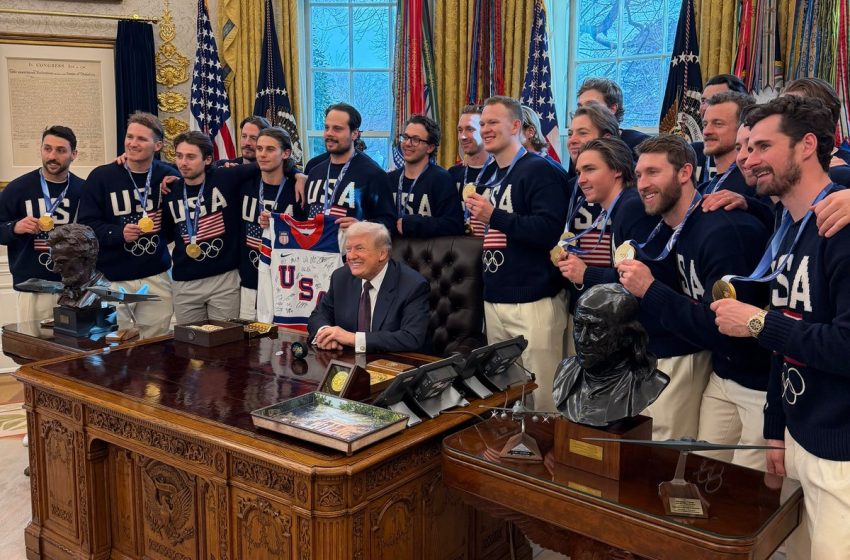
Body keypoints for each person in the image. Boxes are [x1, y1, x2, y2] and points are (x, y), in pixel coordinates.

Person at [712, 96, 850, 560]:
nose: (749, 159)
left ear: (807, 145)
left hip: (840, 447)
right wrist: (776, 427)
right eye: (747, 147)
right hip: (797, 431)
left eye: (763, 147)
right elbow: (786, 332)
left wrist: (756, 322)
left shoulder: (841, 225)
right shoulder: (786, 223)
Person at [618, 134, 771, 466]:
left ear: (685, 172)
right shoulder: (675, 227)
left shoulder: (723, 231)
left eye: (653, 172)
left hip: (759, 381)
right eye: (639, 174)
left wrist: (650, 289)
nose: (642, 184)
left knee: (748, 485)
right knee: (701, 469)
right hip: (722, 372)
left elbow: (725, 327)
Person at [465, 95, 568, 411]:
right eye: (483, 123)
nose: (485, 129)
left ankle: (548, 443)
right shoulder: (489, 174)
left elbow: (548, 231)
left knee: (542, 394)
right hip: (495, 296)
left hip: (533, 299)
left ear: (515, 126)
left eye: (493, 122)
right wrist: (485, 224)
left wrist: (493, 216)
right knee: (507, 393)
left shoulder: (540, 169)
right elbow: (501, 228)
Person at [78, 112, 179, 337]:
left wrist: (178, 183)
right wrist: (117, 233)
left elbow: (178, 222)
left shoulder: (169, 176)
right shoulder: (102, 177)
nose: (133, 143)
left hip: (156, 274)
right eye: (129, 137)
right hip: (112, 278)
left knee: (155, 343)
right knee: (111, 343)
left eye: (141, 139)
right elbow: (86, 225)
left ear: (158, 145)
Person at [162, 131, 260, 324]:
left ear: (207, 159)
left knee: (226, 339)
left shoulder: (224, 177)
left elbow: (266, 162)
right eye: (179, 156)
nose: (183, 163)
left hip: (224, 280)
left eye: (191, 157)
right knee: (190, 340)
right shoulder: (170, 190)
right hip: (185, 282)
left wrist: (297, 174)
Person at [0, 125, 85, 324]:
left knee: (74, 344)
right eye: (47, 149)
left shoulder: (83, 190)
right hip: (32, 290)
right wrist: (14, 228)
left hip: (73, 289)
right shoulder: (17, 188)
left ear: (73, 154)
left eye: (61, 150)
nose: (52, 156)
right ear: (41, 150)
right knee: (32, 344)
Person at [553, 283, 669, 427]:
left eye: (596, 329)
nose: (582, 339)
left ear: (628, 335)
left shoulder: (648, 384)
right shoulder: (565, 371)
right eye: (578, 326)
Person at [307, 221, 430, 353]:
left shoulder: (413, 285)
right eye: (348, 249)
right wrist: (326, 334)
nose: (351, 256)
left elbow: (411, 338)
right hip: (346, 361)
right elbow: (318, 315)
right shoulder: (341, 277)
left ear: (382, 254)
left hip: (393, 362)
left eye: (359, 248)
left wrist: (353, 339)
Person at [301, 103, 395, 233]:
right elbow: (303, 217)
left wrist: (362, 226)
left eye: (337, 129)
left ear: (354, 133)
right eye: (327, 127)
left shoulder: (373, 174)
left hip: (352, 245)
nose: (329, 133)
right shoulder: (314, 170)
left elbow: (389, 222)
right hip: (314, 244)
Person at [239, 127, 298, 320]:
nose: (262, 154)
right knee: (247, 336)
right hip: (248, 281)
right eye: (259, 149)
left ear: (286, 153)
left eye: (270, 149)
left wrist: (279, 222)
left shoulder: (298, 189)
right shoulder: (243, 183)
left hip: (285, 283)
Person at [387, 115, 464, 238]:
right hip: (393, 248)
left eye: (416, 139)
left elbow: (454, 225)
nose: (407, 143)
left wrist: (412, 224)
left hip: (429, 249)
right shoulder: (390, 179)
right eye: (405, 137)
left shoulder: (441, 179)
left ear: (430, 147)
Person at [693, 74, 748, 183]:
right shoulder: (692, 153)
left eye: (717, 100)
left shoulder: (751, 168)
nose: (706, 107)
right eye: (703, 101)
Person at [577, 77, 649, 154]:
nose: (582, 111)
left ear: (612, 109)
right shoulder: (580, 144)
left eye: (591, 105)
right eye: (580, 106)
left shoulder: (641, 143)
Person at [47, 224, 108, 309]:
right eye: (54, 262)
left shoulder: (101, 292)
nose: (55, 270)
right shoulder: (67, 291)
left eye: (62, 262)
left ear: (86, 258)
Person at [448, 104, 491, 192]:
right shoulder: (452, 174)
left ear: (485, 132)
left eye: (470, 129)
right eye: (460, 130)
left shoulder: (501, 173)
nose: (463, 137)